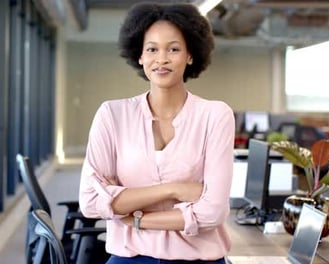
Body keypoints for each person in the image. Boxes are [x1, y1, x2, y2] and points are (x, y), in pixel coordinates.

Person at [79, 2, 235, 264]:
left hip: (198, 260)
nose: (161, 59)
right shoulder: (112, 115)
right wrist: (175, 190)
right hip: (130, 258)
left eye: (173, 49)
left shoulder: (215, 115)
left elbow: (212, 212)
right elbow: (92, 202)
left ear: (190, 55)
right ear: (140, 55)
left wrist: (136, 218)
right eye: (152, 49)